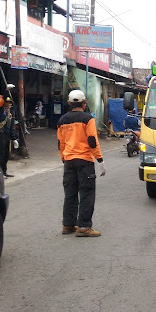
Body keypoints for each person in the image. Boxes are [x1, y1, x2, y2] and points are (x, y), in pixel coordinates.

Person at [57, 89, 106, 237]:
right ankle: (84, 226)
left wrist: (64, 158)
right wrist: (100, 160)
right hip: (84, 160)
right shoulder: (87, 119)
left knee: (70, 193)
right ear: (84, 103)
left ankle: (68, 225)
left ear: (69, 103)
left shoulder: (62, 120)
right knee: (86, 193)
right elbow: (92, 140)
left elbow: (61, 144)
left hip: (69, 161)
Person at [0, 97, 18, 177]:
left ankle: (4, 172)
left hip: (6, 136)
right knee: (0, 155)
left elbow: (11, 127)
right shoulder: (0, 111)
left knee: (6, 155)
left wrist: (14, 138)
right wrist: (6, 91)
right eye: (6, 103)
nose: (8, 104)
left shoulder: (10, 114)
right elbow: (1, 101)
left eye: (9, 103)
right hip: (0, 135)